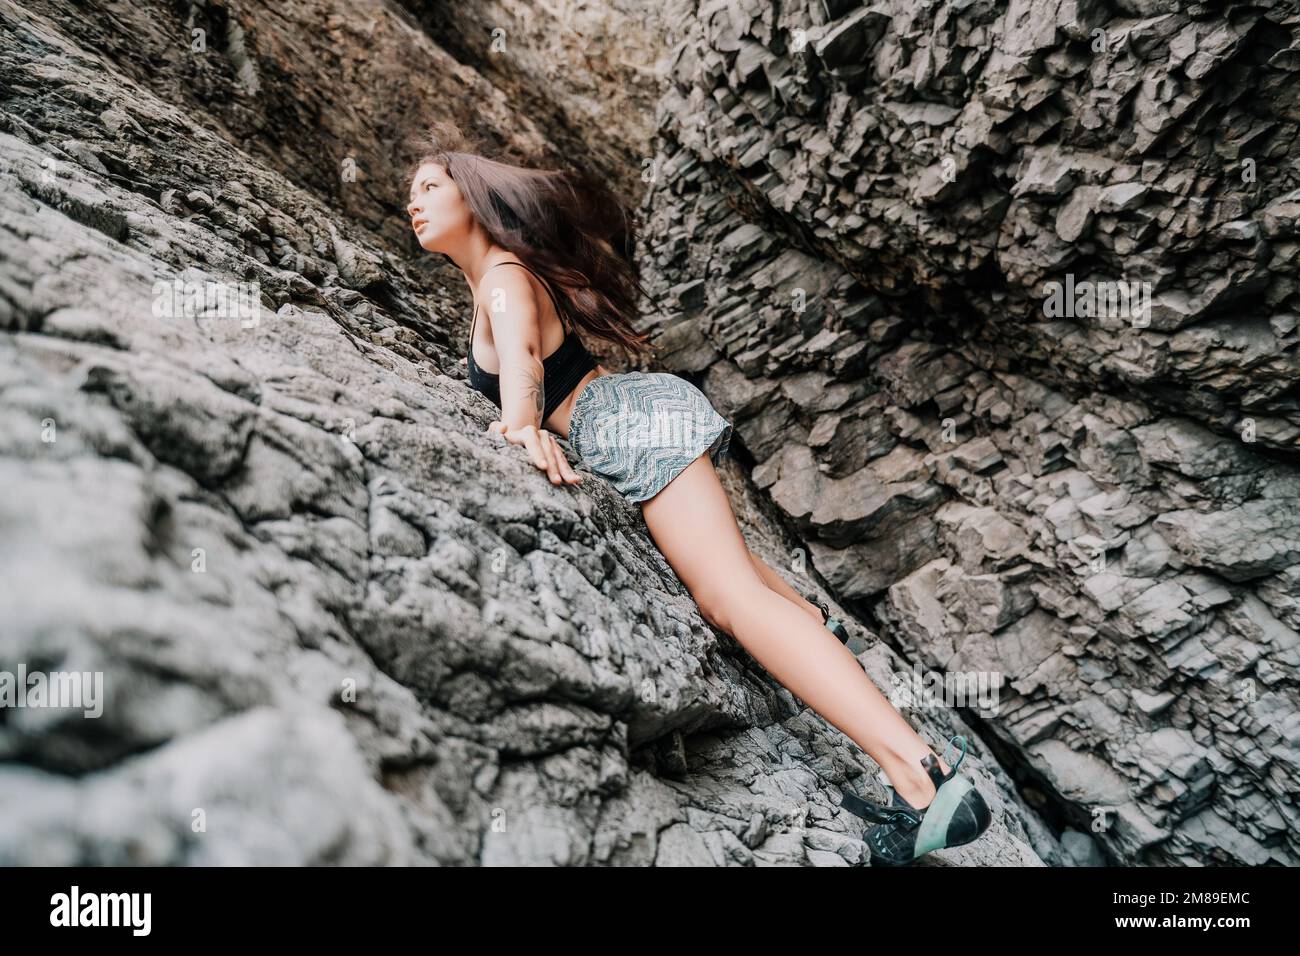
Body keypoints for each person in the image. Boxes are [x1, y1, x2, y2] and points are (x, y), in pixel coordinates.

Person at [403, 122, 992, 865]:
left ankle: (924, 780)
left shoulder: (502, 279)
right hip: (629, 427)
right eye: (410, 194)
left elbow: (522, 360)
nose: (415, 204)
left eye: (429, 187)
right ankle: (811, 627)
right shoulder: (494, 282)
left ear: (472, 194)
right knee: (746, 590)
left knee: (729, 602)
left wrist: (519, 426)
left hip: (624, 428)